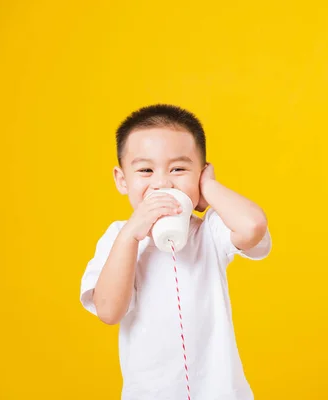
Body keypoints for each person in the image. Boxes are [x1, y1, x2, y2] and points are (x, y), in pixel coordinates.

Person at [80, 104, 272, 400]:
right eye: (145, 170)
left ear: (201, 173)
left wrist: (209, 188)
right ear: (122, 180)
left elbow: (253, 226)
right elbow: (108, 311)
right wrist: (132, 234)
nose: (162, 182)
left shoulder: (209, 231)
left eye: (179, 169)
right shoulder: (119, 237)